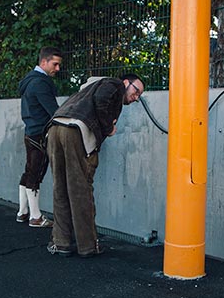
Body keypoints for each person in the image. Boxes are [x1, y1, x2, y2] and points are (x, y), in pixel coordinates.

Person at [45, 74, 144, 257]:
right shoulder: (114, 84)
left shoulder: (88, 87)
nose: (136, 97)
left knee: (60, 187)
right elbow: (101, 100)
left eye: (139, 96)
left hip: (55, 126)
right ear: (125, 83)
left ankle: (61, 243)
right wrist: (108, 128)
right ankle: (88, 246)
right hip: (74, 130)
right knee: (80, 189)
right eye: (136, 91)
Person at [16, 47, 62, 227]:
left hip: (30, 132)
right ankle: (35, 217)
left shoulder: (29, 81)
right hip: (41, 134)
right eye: (55, 64)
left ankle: (23, 212)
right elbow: (54, 112)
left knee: (29, 171)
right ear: (44, 62)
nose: (57, 68)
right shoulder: (41, 83)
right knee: (36, 173)